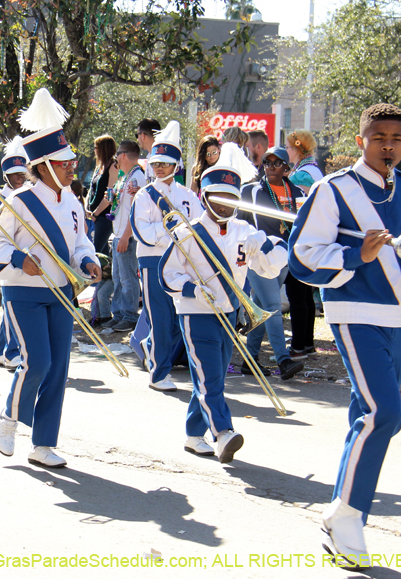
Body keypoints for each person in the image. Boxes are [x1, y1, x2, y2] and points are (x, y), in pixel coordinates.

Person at [288, 103, 401, 568]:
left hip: (396, 317)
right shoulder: (334, 190)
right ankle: (343, 515)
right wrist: (355, 254)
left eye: (396, 139)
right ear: (360, 141)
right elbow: (303, 257)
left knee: (363, 415)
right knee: (384, 414)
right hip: (352, 312)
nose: (388, 146)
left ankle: (344, 523)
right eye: (378, 137)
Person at [0, 88, 101, 468]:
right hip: (24, 291)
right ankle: (8, 416)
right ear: (46, 165)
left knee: (59, 368)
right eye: (65, 163)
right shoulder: (16, 202)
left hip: (62, 293)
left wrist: (87, 261)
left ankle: (44, 443)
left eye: (71, 162)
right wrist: (20, 258)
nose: (72, 167)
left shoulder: (74, 203)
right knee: (37, 363)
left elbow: (80, 242)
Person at [160, 143, 287, 463]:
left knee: (211, 377)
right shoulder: (187, 233)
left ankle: (192, 435)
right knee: (209, 376)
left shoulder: (246, 230)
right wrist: (192, 291)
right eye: (219, 196)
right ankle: (223, 433)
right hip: (196, 314)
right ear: (205, 197)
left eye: (232, 197)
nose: (227, 203)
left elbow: (267, 268)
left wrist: (273, 247)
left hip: (229, 314)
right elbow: (167, 275)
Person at [129, 120, 203, 392]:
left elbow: (197, 227)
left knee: (176, 318)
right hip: (152, 261)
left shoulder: (188, 195)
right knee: (159, 317)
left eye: (165, 163)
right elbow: (144, 233)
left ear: (176, 165)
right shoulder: (145, 195)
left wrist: (179, 231)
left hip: (181, 262)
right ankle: (159, 374)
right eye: (156, 163)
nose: (159, 168)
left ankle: (150, 347)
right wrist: (172, 229)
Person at [237, 146, 306, 380]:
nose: (270, 166)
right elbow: (239, 222)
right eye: (267, 162)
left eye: (277, 163)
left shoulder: (296, 192)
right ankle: (283, 360)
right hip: (260, 255)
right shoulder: (251, 191)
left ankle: (250, 359)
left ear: (286, 167)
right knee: (274, 307)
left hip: (284, 255)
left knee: (263, 307)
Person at [0, 137, 30, 369]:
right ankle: (12, 351)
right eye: (15, 175)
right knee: (13, 304)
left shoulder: (29, 196)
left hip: (24, 257)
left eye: (22, 173)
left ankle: (1, 350)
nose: (20, 178)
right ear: (6, 176)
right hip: (7, 257)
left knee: (10, 306)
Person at [284, 130, 322, 359]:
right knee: (305, 293)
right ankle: (306, 343)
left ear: (297, 149)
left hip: (302, 237)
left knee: (297, 294)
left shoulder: (301, 175)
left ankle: (298, 346)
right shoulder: (313, 169)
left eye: (288, 147)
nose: (286, 151)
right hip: (313, 236)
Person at [103, 140, 143, 332]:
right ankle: (118, 314)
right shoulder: (125, 176)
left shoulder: (138, 177)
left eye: (118, 153)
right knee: (118, 277)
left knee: (128, 278)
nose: (116, 157)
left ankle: (129, 316)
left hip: (127, 235)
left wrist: (126, 236)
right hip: (118, 233)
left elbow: (136, 210)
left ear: (124, 155)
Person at [86, 135, 119, 256]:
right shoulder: (99, 166)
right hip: (93, 215)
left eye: (96, 147)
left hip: (104, 217)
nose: (94, 150)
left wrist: (95, 214)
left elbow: (109, 197)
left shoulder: (113, 167)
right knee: (103, 253)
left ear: (103, 149)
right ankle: (106, 273)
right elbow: (91, 190)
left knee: (95, 251)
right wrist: (87, 209)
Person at [286, 129, 323, 194]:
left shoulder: (302, 175)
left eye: (287, 147)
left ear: (295, 149)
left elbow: (300, 202)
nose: (285, 150)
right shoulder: (310, 168)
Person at [136, 118, 162, 184]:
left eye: (137, 135)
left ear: (143, 136)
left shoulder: (164, 157)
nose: (137, 139)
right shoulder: (151, 156)